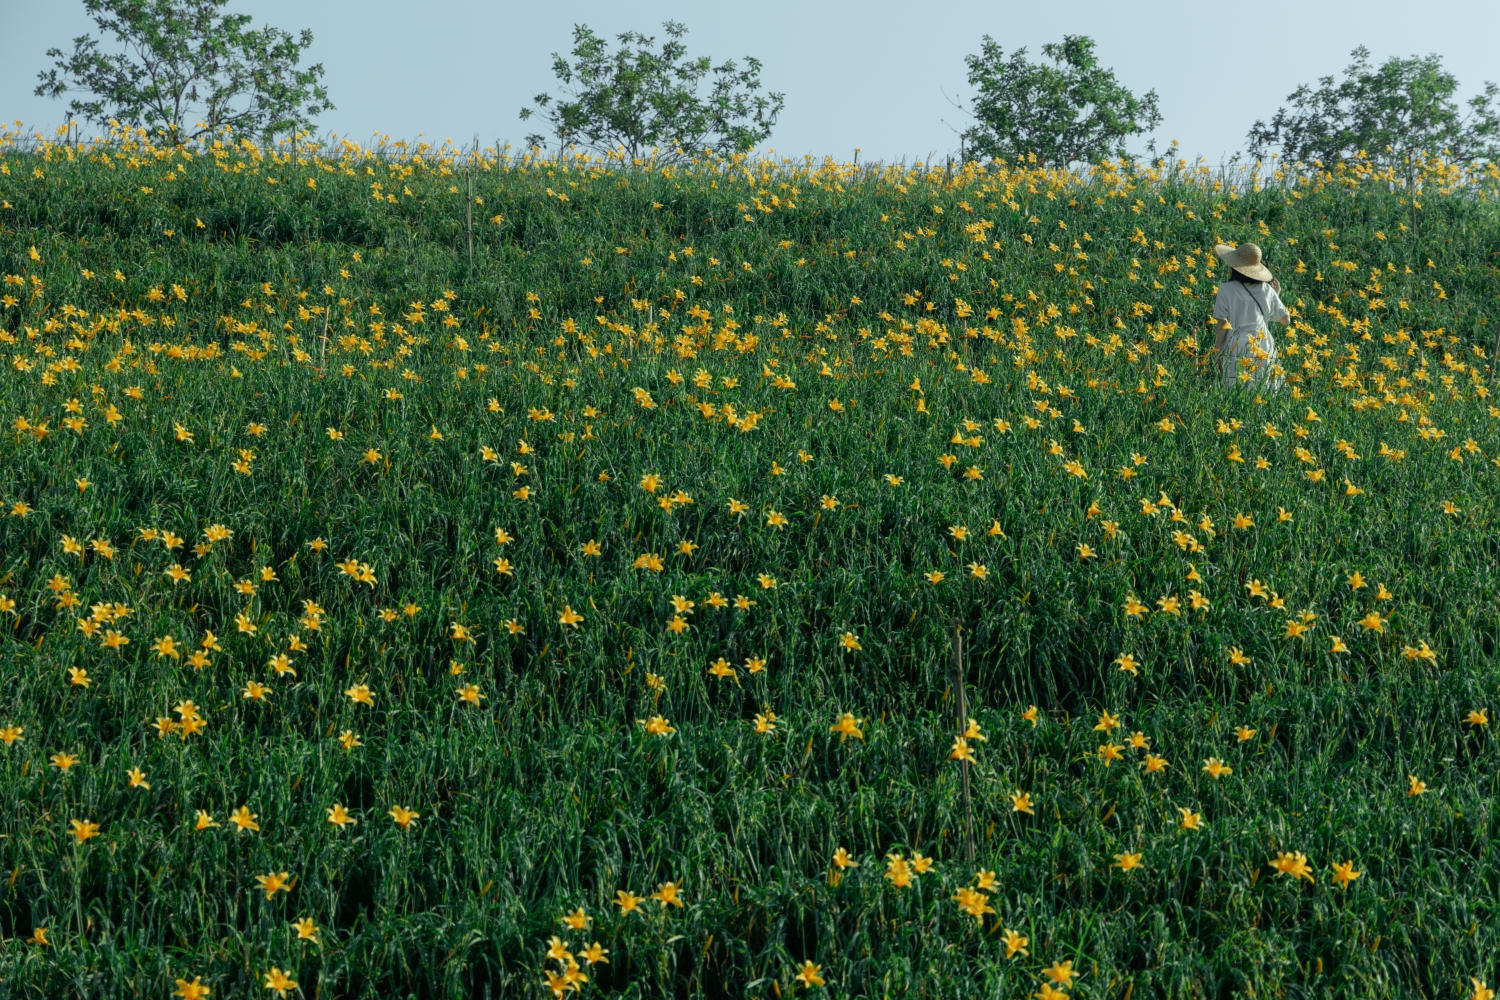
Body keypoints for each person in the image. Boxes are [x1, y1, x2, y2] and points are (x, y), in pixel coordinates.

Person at [1211, 242, 1290, 390]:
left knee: (1235, 392)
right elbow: (1285, 320)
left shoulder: (1225, 289)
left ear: (1235, 266)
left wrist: (1216, 352)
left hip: (1236, 346)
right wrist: (1276, 295)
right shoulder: (1267, 290)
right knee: (1262, 390)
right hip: (1262, 347)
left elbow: (1222, 325)